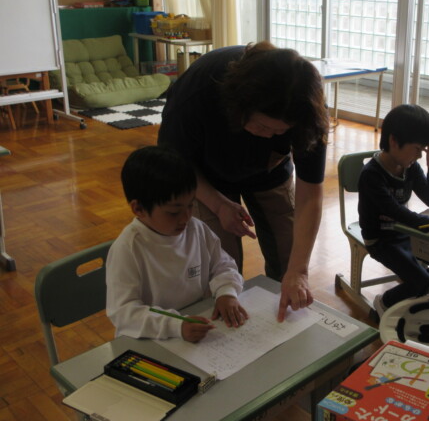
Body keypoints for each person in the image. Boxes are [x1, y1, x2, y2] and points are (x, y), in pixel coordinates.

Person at [157, 41, 330, 322]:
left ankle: (282, 326)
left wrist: (298, 271)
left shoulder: (306, 110)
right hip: (204, 174)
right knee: (221, 266)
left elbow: (310, 195)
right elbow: (177, 162)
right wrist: (219, 205)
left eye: (279, 132)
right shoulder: (200, 93)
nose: (268, 135)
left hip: (270, 171)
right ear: (240, 107)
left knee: (289, 254)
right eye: (262, 126)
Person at [106, 145, 248, 343]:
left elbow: (224, 265)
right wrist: (175, 325)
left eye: (190, 205)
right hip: (149, 339)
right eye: (173, 212)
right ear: (138, 209)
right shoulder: (128, 248)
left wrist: (226, 292)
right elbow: (123, 312)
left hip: (195, 328)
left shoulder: (196, 229)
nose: (186, 217)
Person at [358, 104, 429, 318]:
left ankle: (416, 291)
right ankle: (384, 302)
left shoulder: (409, 167)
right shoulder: (372, 175)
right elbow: (395, 211)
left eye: (424, 150)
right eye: (417, 149)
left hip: (405, 233)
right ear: (394, 141)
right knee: (422, 280)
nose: (420, 156)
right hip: (380, 240)